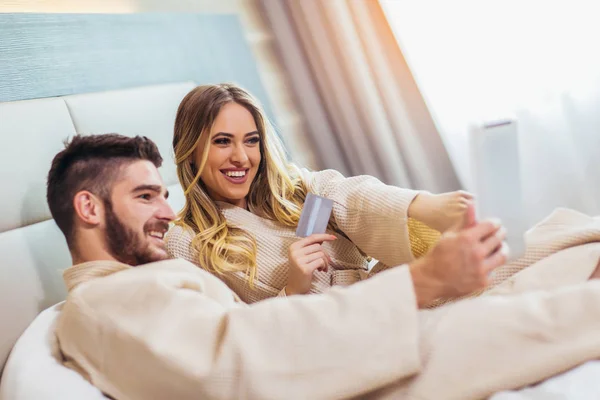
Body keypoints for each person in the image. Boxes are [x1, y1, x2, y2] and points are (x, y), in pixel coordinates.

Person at [52, 134, 600, 400]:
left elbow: (343, 195)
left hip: (357, 340)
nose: (167, 213)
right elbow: (238, 360)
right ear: (89, 207)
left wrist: (422, 221)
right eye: (147, 197)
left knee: (565, 244)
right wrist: (422, 281)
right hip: (352, 373)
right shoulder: (98, 306)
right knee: (512, 318)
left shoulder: (137, 283)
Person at [166, 83, 473, 303]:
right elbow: (233, 338)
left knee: (510, 255)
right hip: (330, 338)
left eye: (251, 140)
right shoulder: (186, 242)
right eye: (222, 141)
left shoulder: (297, 191)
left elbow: (350, 197)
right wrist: (293, 289)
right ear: (190, 150)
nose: (242, 158)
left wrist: (421, 206)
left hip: (388, 296)